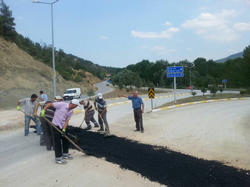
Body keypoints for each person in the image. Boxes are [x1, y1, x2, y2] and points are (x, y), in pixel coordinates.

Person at [41, 99, 79, 164]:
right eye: (76, 106)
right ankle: (58, 158)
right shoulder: (62, 104)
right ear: (73, 104)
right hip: (55, 125)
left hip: (62, 126)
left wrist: (64, 129)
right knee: (57, 142)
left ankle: (65, 154)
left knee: (66, 140)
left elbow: (67, 121)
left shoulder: (71, 112)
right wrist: (43, 111)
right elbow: (50, 104)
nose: (76, 107)